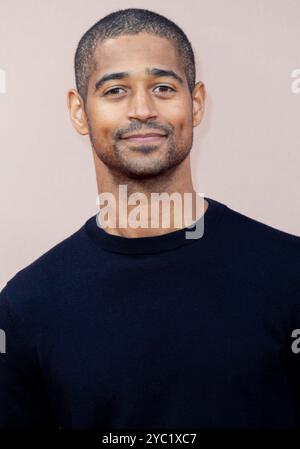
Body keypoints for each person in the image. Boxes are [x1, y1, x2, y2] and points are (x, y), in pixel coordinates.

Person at [0, 8, 299, 429]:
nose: (142, 109)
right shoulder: (26, 306)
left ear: (195, 104)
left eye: (162, 87)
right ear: (79, 111)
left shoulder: (290, 273)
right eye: (116, 90)